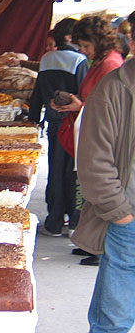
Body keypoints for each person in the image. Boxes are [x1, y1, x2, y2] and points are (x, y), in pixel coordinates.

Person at [71, 11, 135, 332]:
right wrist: (120, 213)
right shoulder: (115, 88)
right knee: (114, 318)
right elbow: (94, 161)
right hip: (129, 216)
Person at [51, 16, 123, 261]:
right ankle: (92, 242)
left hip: (103, 137)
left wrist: (77, 105)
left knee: (99, 190)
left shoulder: (110, 65)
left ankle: (101, 247)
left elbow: (110, 108)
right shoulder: (99, 62)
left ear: (98, 41)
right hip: (90, 131)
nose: (82, 51)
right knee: (89, 191)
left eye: (85, 46)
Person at [29, 18, 89, 236]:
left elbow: (37, 93)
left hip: (53, 123)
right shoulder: (79, 60)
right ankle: (74, 220)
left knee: (55, 169)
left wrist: (33, 116)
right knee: (73, 171)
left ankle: (54, 219)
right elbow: (84, 92)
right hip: (74, 123)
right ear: (70, 37)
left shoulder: (46, 59)